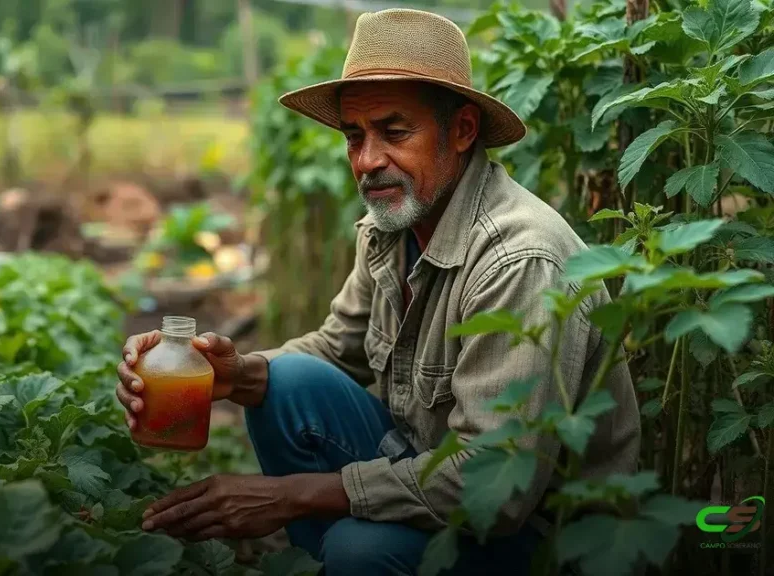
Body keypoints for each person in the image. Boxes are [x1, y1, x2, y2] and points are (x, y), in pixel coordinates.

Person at [115, 8, 641, 576]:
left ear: (462, 130)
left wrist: (290, 497)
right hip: (430, 466)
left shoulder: (518, 260)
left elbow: (493, 486)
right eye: (354, 136)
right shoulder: (395, 227)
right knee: (287, 383)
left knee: (359, 548)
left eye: (394, 132)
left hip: (543, 536)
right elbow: (336, 347)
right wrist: (231, 374)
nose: (367, 161)